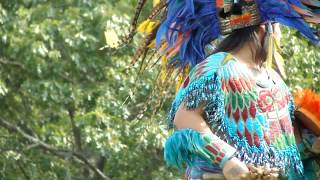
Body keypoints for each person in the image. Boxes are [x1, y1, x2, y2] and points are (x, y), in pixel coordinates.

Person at [130, 0, 320, 179]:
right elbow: (185, 117)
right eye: (278, 28)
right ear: (265, 29)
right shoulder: (218, 65)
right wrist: (228, 160)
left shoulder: (275, 80)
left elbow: (286, 143)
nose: (279, 37)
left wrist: (312, 143)